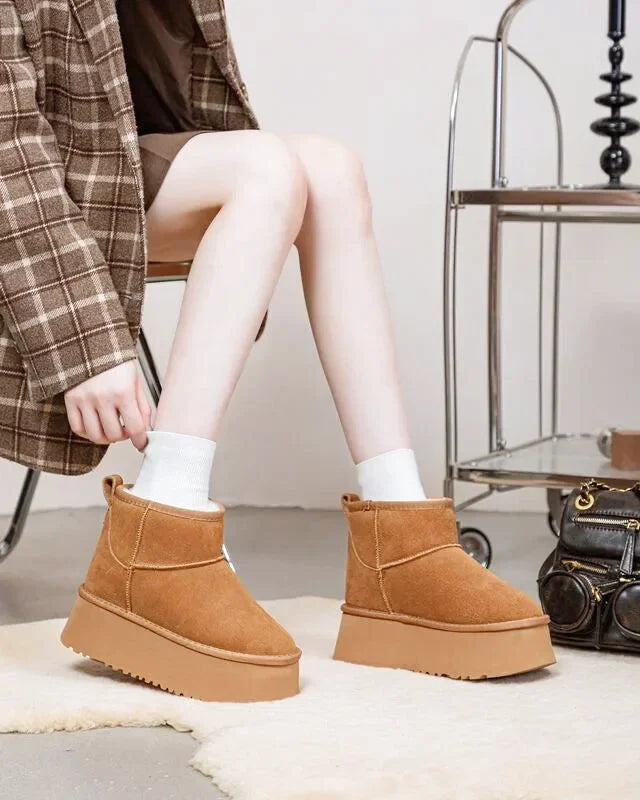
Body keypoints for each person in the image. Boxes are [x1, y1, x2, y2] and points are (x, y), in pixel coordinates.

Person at [1, 0, 554, 702]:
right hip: (26, 192)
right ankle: (158, 528)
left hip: (101, 168)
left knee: (330, 171)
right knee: (265, 169)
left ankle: (401, 548)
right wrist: (84, 338)